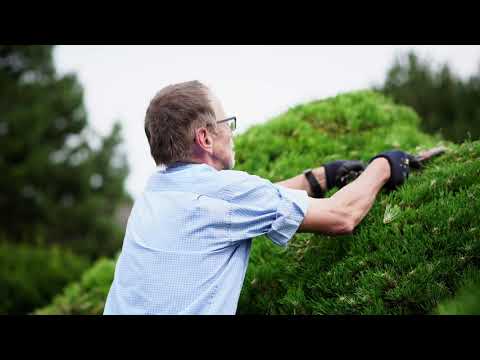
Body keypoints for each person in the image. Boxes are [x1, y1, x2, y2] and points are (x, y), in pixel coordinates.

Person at [103, 80, 413, 315]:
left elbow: (242, 203)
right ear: (206, 138)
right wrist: (386, 165)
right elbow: (341, 215)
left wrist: (319, 178)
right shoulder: (225, 193)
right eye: (228, 124)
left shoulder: (153, 194)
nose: (232, 133)